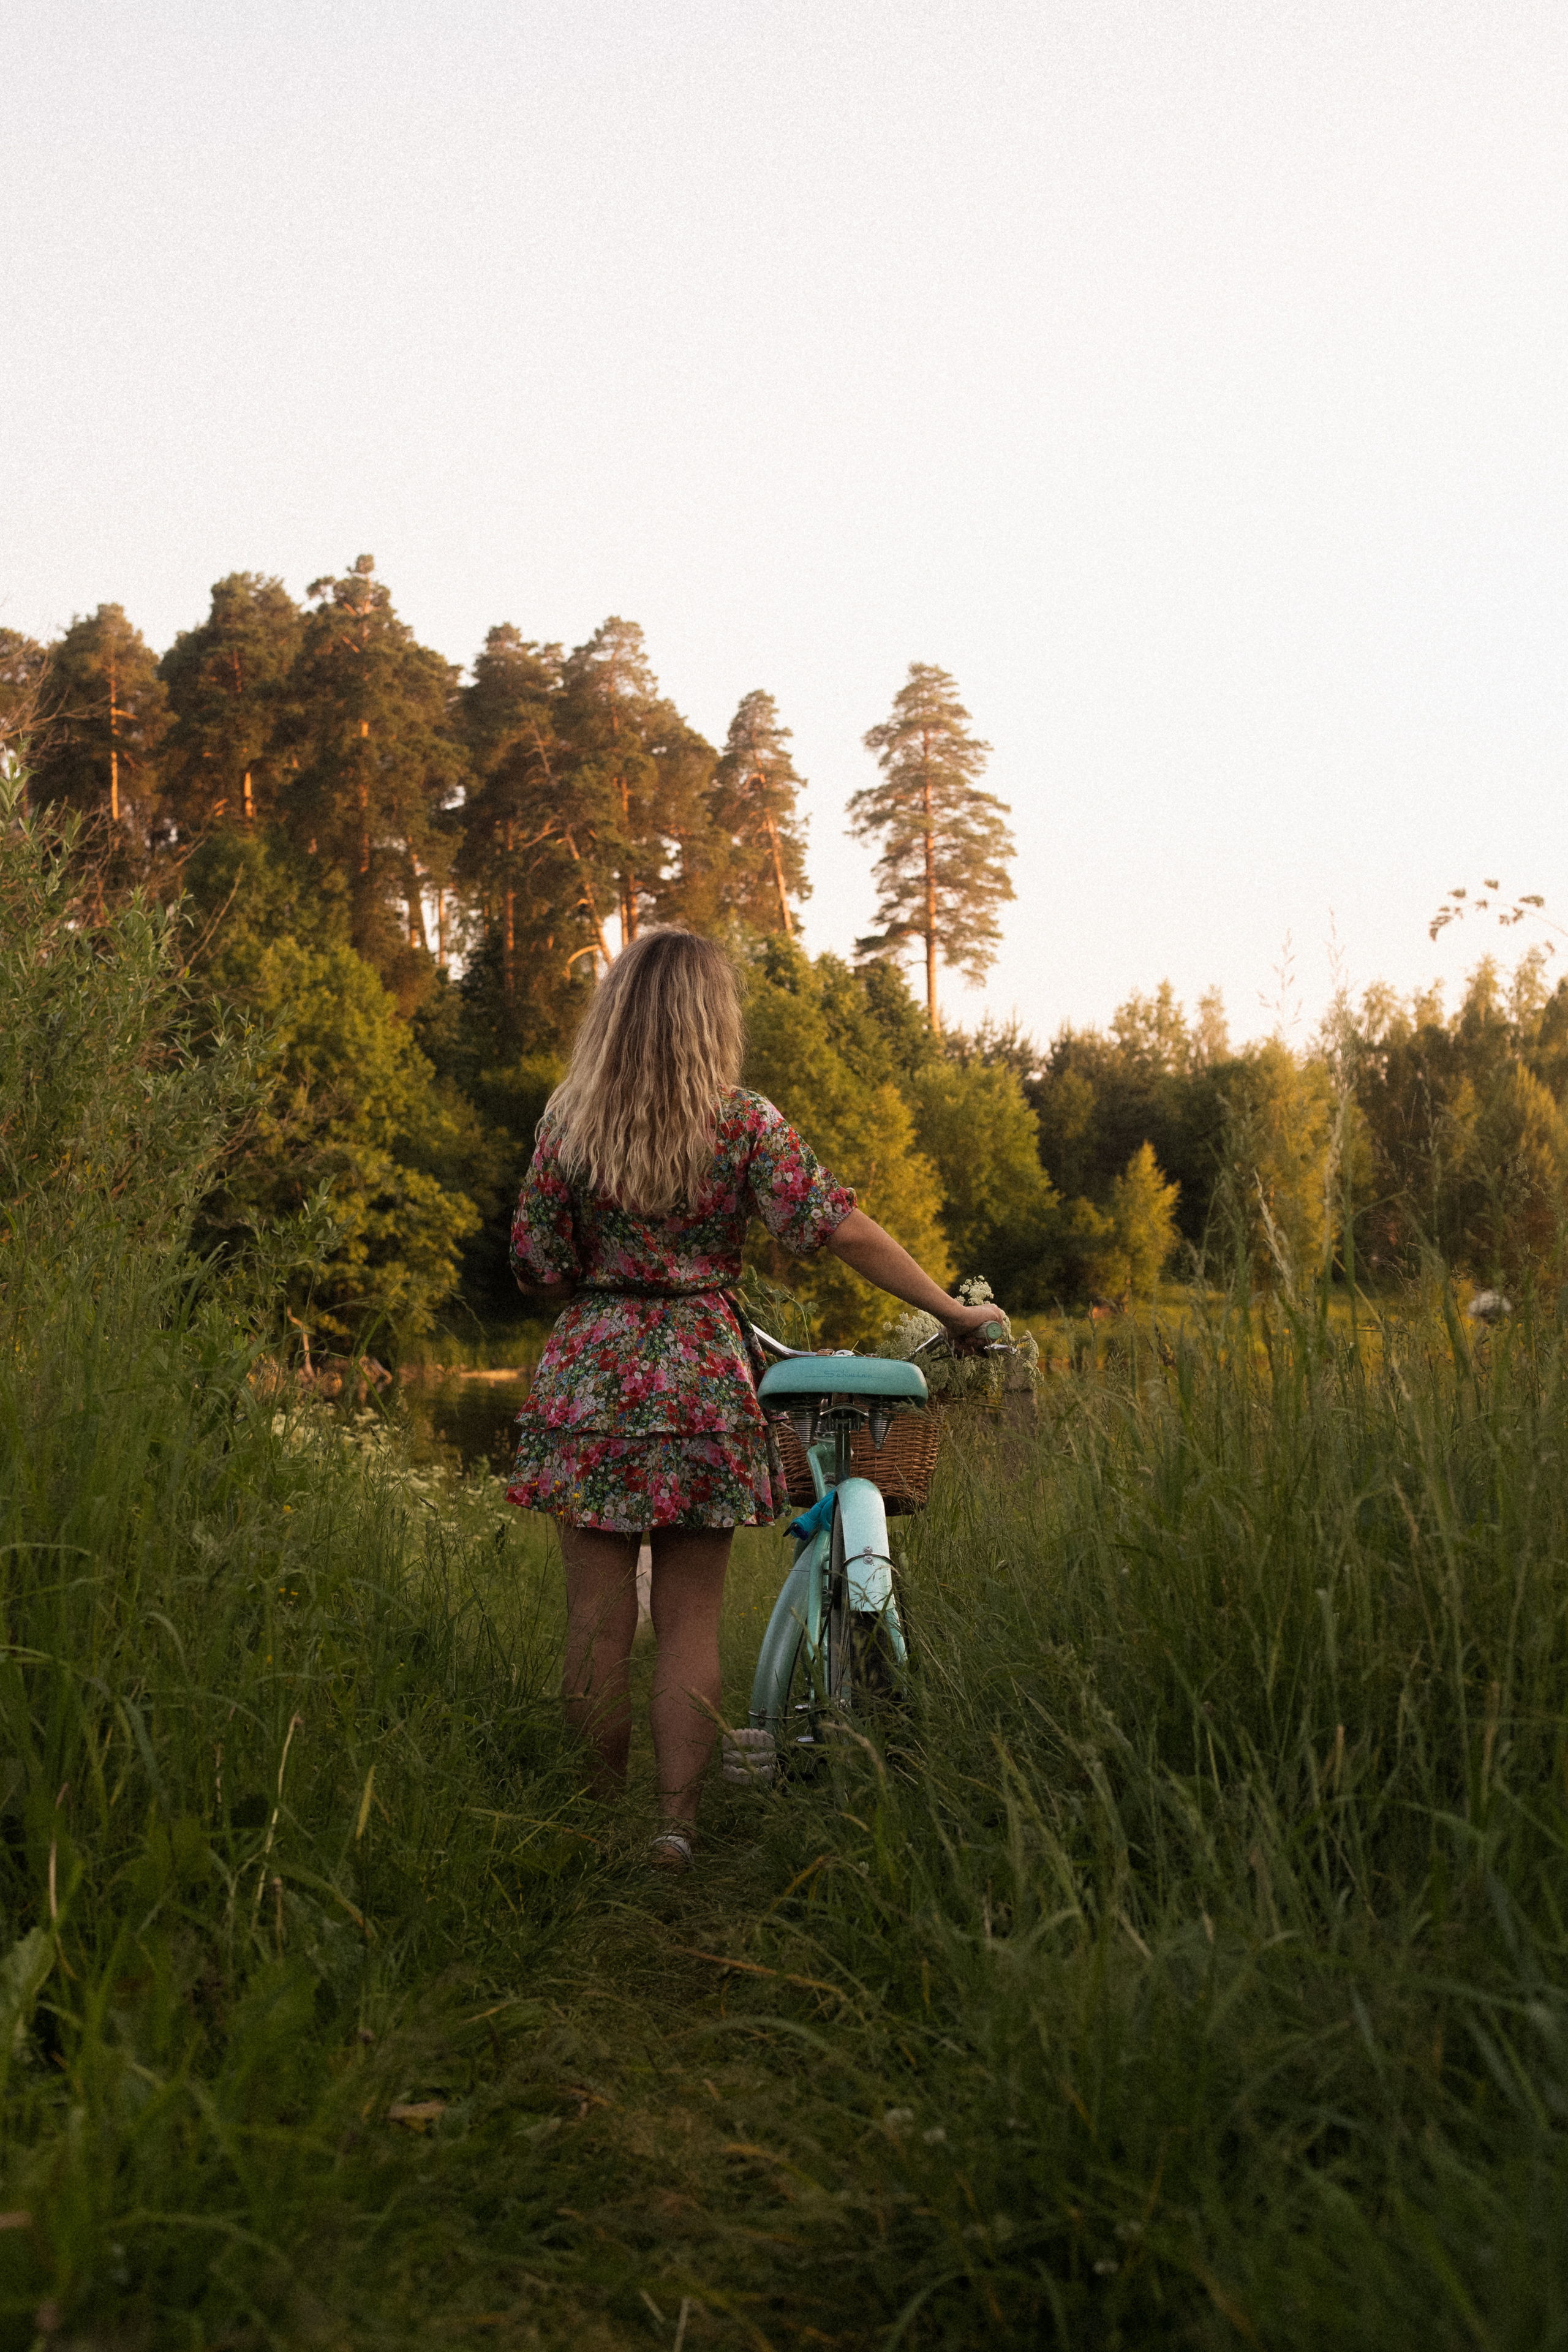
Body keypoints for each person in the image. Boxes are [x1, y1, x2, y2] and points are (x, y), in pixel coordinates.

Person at [506, 927, 997, 1869]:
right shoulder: (742, 1125)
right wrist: (951, 1310)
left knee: (596, 1622)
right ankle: (675, 1828)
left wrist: (605, 1270)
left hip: (590, 1376)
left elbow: (536, 1264)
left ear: (615, 1017)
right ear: (708, 1019)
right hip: (700, 1374)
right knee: (690, 1618)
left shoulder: (567, 1124)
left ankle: (593, 1827)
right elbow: (837, 1227)